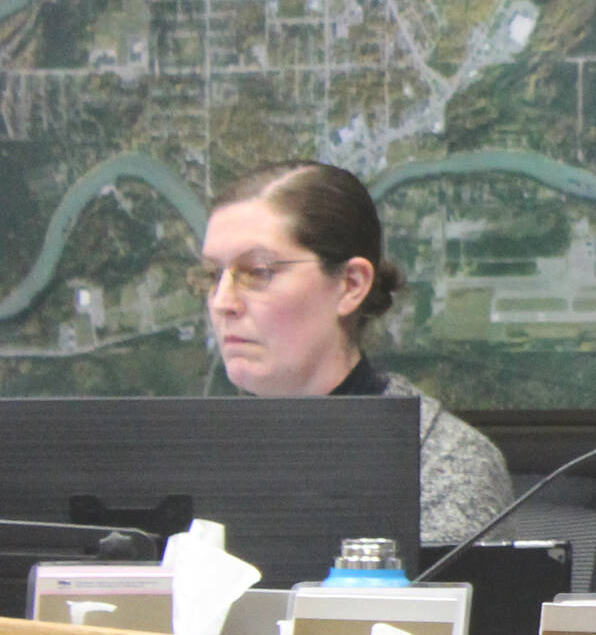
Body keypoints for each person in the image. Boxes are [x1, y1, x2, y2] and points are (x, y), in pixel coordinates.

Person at [197, 161, 513, 545]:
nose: (222, 302)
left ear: (350, 285)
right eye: (214, 275)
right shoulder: (193, 459)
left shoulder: (441, 464)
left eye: (259, 271)